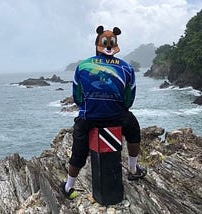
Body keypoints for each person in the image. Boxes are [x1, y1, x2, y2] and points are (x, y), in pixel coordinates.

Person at [61, 26, 146, 200]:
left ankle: (69, 186)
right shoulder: (126, 68)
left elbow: (77, 96)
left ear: (96, 44)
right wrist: (115, 109)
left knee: (78, 151)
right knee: (133, 131)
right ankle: (132, 169)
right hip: (117, 116)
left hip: (88, 118)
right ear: (115, 44)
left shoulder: (83, 66)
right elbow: (129, 99)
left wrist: (91, 107)